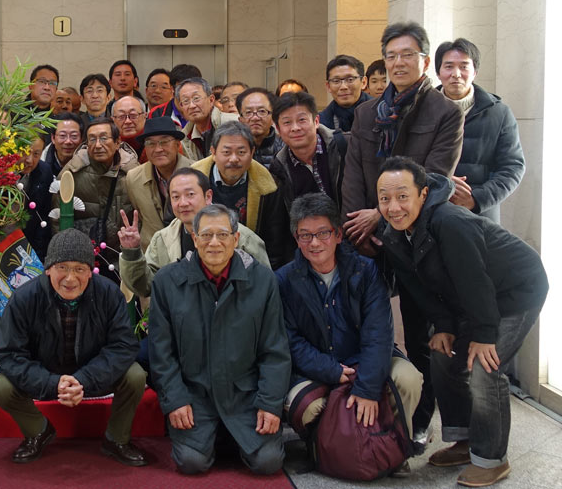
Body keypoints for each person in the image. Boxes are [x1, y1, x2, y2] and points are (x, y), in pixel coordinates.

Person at [376, 157, 548, 487]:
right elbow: (418, 288)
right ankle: (465, 440)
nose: (393, 207)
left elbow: (474, 280)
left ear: (423, 194)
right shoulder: (393, 234)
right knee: (444, 355)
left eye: (402, 196)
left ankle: (491, 459)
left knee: (485, 367)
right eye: (385, 198)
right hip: (473, 301)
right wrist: (443, 326)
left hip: (517, 289)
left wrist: (483, 334)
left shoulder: (450, 221)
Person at [342, 23, 465, 448]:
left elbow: (435, 177)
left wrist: (380, 214)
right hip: (368, 236)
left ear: (424, 61)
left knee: (419, 332)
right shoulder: (367, 112)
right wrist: (357, 226)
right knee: (364, 322)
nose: (398, 63)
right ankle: (366, 411)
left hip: (419, 239)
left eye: (407, 55)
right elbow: (353, 172)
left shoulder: (445, 112)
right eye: (391, 55)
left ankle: (420, 419)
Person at [277, 193, 423, 476]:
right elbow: (289, 340)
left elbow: (378, 334)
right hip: (316, 367)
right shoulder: (283, 280)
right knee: (302, 404)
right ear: (296, 238)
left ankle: (394, 447)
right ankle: (324, 448)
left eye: (323, 233)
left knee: (408, 379)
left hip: (363, 357)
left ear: (338, 234)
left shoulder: (365, 271)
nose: (315, 243)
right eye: (305, 235)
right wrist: (330, 370)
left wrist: (367, 388)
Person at [148, 204, 291, 475]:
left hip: (245, 396)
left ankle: (226, 436)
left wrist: (270, 404)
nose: (214, 243)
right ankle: (219, 437)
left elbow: (275, 350)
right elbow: (161, 353)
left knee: (268, 463)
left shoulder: (262, 280)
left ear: (236, 239)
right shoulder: (167, 282)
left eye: (223, 235)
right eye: (206, 235)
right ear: (194, 238)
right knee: (191, 463)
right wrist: (176, 400)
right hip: (195, 395)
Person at [0, 228, 147, 466]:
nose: (70, 278)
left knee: (135, 375)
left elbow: (123, 346)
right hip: (45, 375)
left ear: (90, 272)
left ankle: (117, 439)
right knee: (1, 387)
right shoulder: (24, 298)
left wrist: (83, 379)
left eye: (79, 269)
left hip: (92, 375)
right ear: (48, 268)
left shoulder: (109, 294)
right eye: (62, 267)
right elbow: (9, 354)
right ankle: (38, 431)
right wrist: (53, 383)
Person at [119, 167, 270, 299]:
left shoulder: (240, 236)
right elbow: (147, 287)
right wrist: (132, 253)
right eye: (176, 197)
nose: (183, 203)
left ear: (208, 196)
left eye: (190, 194)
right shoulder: (163, 239)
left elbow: (264, 287)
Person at [435, 38, 525, 223]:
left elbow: (513, 166)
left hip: (480, 216)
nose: (456, 74)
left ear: (475, 72)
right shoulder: (421, 110)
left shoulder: (499, 113)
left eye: (464, 67)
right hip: (431, 211)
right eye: (449, 66)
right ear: (438, 72)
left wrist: (476, 199)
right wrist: (437, 183)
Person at [192, 121, 292, 269]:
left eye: (241, 152)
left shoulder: (269, 186)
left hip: (249, 264)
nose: (234, 159)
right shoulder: (192, 181)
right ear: (213, 152)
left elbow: (275, 242)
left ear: (252, 152)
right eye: (226, 152)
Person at [58, 118, 139, 282]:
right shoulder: (72, 172)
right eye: (92, 139)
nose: (98, 145)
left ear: (117, 142)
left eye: (103, 138)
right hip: (84, 260)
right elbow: (57, 219)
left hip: (122, 259)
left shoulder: (133, 173)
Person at [123, 116, 193, 251]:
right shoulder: (133, 178)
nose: (158, 149)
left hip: (189, 250)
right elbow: (141, 217)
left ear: (177, 144)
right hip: (152, 252)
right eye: (151, 143)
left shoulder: (196, 172)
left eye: (164, 142)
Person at [269, 92, 343, 209]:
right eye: (287, 122)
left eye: (302, 120)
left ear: (316, 121)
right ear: (278, 129)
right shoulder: (279, 167)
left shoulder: (343, 146)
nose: (295, 128)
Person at [19, 136, 53, 261]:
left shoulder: (44, 173)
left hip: (27, 245)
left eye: (36, 154)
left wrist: (38, 257)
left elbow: (43, 217)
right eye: (24, 152)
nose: (29, 160)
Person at [319, 55, 371, 132]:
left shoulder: (381, 113)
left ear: (363, 82)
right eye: (336, 81)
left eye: (350, 79)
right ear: (328, 86)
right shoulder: (320, 124)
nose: (343, 87)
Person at [235, 87, 285, 168]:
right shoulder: (232, 147)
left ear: (273, 117)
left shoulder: (285, 148)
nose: (255, 118)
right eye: (248, 112)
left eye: (262, 111)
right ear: (240, 120)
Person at [176, 77, 217, 161]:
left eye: (196, 98)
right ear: (181, 106)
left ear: (211, 100)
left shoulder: (231, 124)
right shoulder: (185, 137)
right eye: (186, 101)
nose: (192, 106)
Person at [40, 112, 83, 177]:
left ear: (81, 139)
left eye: (74, 136)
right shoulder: (40, 163)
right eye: (62, 135)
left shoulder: (87, 163)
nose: (68, 141)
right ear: (53, 138)